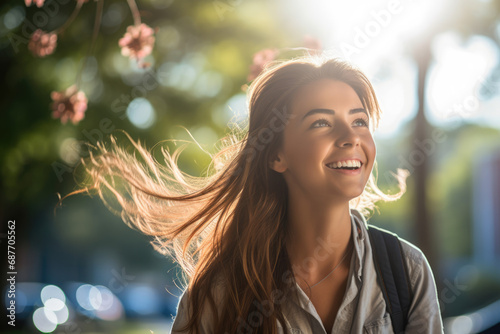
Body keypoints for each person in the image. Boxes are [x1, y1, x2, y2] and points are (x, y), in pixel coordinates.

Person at [60, 56, 444, 334]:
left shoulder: (405, 271)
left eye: (359, 120)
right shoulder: (223, 287)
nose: (351, 137)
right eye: (322, 123)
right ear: (277, 154)